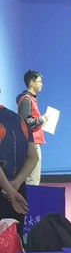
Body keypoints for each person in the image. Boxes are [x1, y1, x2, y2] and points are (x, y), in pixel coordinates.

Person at [0, 101, 39, 237]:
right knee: (15, 240)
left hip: (9, 192)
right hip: (17, 191)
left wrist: (10, 191)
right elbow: (33, 157)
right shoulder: (20, 120)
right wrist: (15, 184)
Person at [17, 70, 48, 185]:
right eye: (39, 81)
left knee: (32, 177)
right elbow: (25, 122)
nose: (41, 84)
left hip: (32, 141)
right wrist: (42, 119)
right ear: (31, 83)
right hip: (31, 142)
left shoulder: (29, 99)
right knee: (33, 179)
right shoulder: (26, 99)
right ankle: (30, 197)